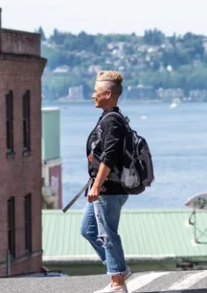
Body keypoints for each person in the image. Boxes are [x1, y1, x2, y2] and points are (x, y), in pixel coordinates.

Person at [81, 71, 132, 293]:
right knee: (89, 229)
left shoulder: (112, 121)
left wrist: (96, 185)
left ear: (108, 93)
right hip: (104, 186)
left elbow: (109, 157)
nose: (93, 95)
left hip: (109, 188)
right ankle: (119, 268)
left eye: (96, 91)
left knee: (106, 233)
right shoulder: (107, 118)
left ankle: (117, 282)